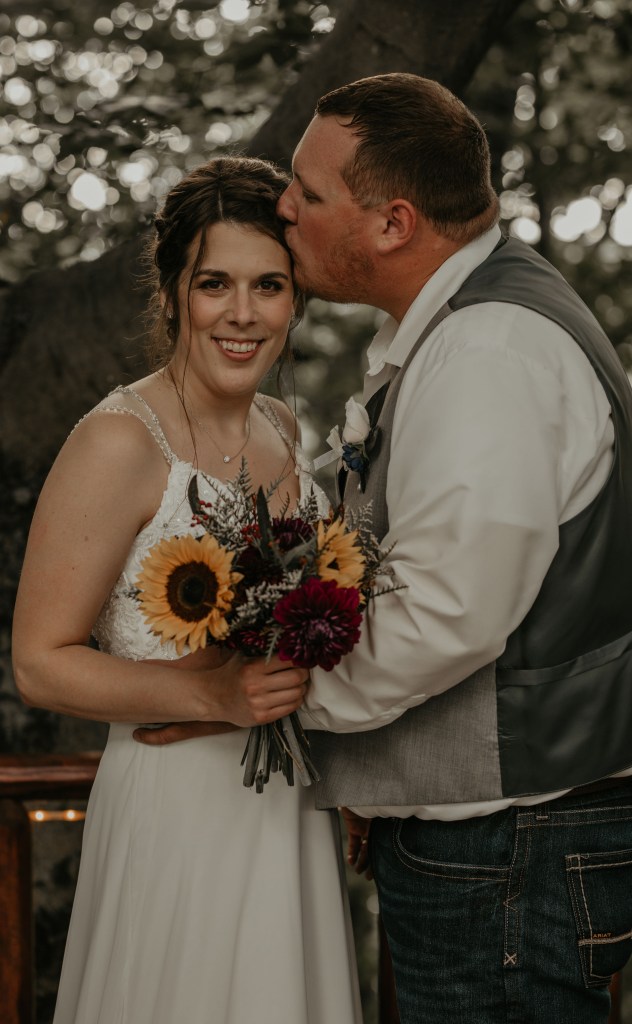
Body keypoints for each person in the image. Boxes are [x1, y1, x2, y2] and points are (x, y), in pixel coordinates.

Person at [139, 75, 632, 1023]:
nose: (284, 207)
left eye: (309, 193)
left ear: (394, 223)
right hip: (503, 834)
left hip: (505, 841)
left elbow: (445, 614)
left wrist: (268, 701)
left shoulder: (488, 352)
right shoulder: (465, 327)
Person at [12, 156, 362, 1024]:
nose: (243, 315)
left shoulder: (283, 424)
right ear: (171, 293)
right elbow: (39, 664)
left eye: (269, 286)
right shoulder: (118, 444)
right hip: (179, 815)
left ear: (296, 299)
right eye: (215, 283)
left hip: (289, 805)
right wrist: (207, 691)